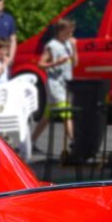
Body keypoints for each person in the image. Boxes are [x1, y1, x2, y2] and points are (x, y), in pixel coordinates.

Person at [32, 18, 77, 151]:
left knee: (47, 115)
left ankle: (32, 140)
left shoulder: (68, 44)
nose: (70, 35)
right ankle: (74, 142)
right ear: (60, 31)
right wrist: (55, 63)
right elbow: (40, 64)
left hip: (66, 83)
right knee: (66, 112)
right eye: (68, 32)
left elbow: (75, 63)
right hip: (55, 84)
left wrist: (74, 48)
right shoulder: (52, 46)